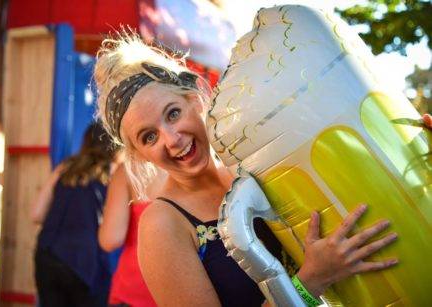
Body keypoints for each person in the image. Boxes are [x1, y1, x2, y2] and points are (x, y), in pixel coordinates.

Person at [93, 33, 427, 306]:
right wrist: (310, 282)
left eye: (173, 113)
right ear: (139, 154)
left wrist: (409, 151)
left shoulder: (252, 168)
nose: (171, 138)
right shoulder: (162, 225)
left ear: (195, 101)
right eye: (149, 136)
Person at [31, 123, 117, 307]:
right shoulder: (114, 172)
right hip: (85, 263)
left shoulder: (65, 167)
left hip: (48, 254)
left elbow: (36, 214)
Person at [98, 162, 165, 307]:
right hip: (193, 293)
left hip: (135, 291)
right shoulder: (211, 166)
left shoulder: (129, 170)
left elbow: (110, 240)